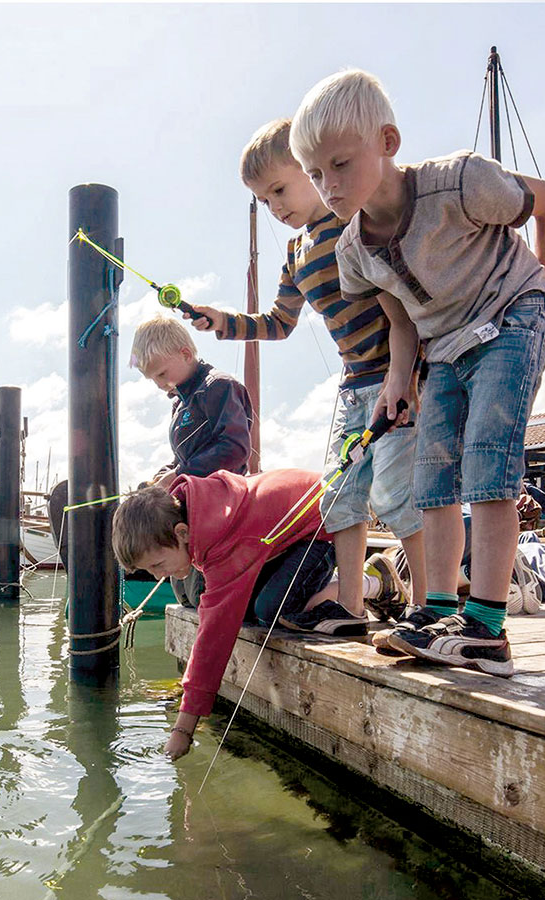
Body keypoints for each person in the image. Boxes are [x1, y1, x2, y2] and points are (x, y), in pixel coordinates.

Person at [292, 69, 545, 676]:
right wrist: (397, 378)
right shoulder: (353, 252)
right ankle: (439, 609)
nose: (328, 185)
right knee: (431, 476)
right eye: (315, 174)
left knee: (487, 463)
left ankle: (489, 628)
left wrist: (541, 282)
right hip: (442, 345)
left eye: (340, 164)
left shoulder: (461, 182)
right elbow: (400, 310)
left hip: (508, 319)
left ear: (387, 142)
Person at [180, 117, 424, 628]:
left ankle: (429, 607)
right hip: (354, 385)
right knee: (342, 497)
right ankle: (352, 607)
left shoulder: (353, 223)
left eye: (280, 189)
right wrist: (223, 321)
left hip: (395, 376)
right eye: (265, 200)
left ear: (309, 170)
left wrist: (406, 376)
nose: (276, 206)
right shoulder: (294, 254)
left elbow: (401, 305)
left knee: (398, 495)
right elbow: (279, 322)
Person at [113, 472, 396, 759]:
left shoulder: (222, 536)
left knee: (273, 610)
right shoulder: (196, 515)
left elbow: (214, 638)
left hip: (319, 530)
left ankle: (372, 582)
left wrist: (183, 729)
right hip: (282, 542)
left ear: (182, 533)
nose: (158, 575)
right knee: (249, 611)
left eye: (158, 564)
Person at [130, 317, 253, 485]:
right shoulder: (179, 404)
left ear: (186, 355)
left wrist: (178, 474)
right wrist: (163, 476)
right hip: (195, 491)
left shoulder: (218, 386)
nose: (159, 385)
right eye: (152, 379)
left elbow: (234, 448)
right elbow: (184, 459)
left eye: (162, 374)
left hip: (223, 493)